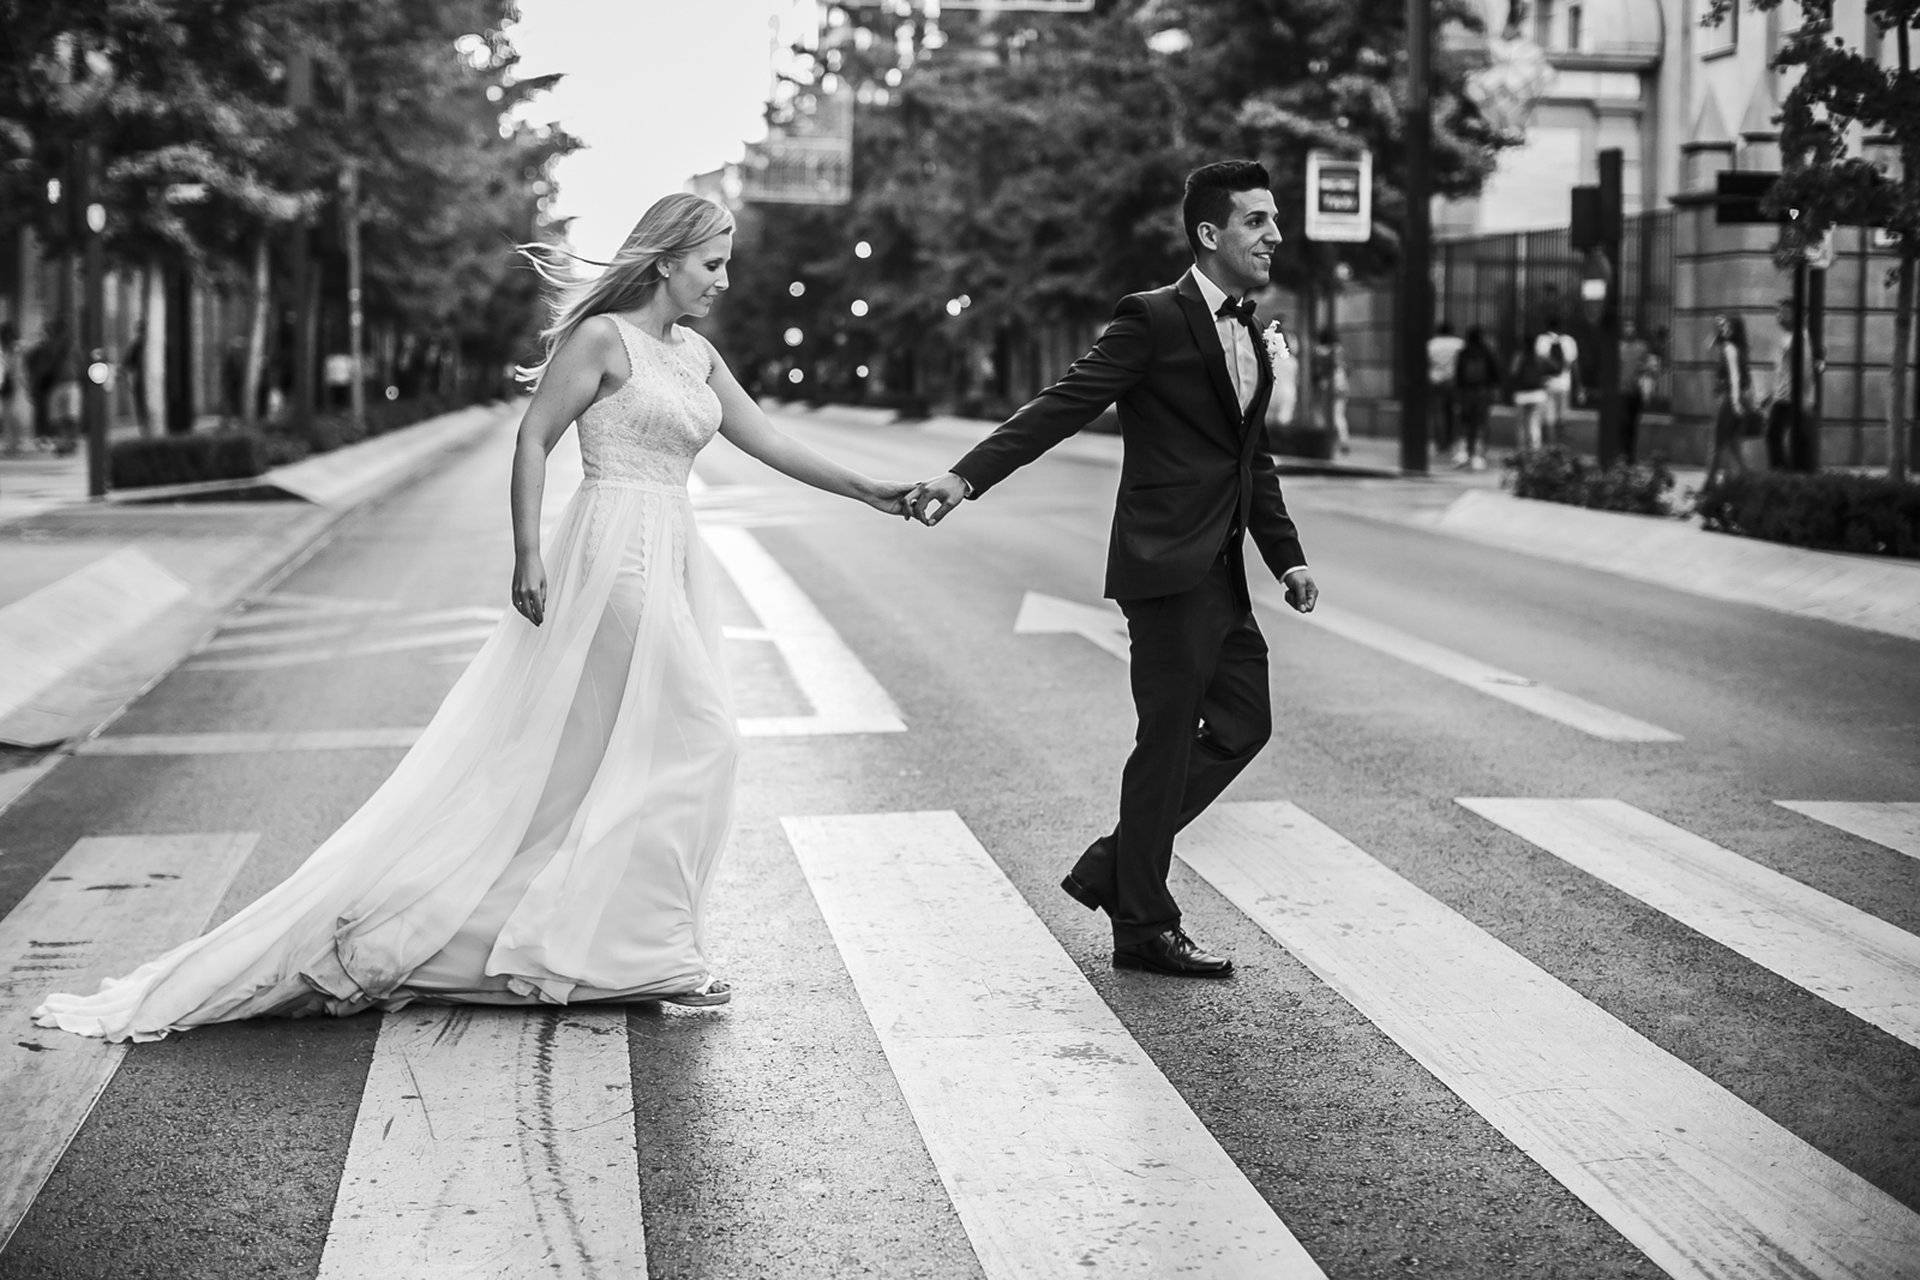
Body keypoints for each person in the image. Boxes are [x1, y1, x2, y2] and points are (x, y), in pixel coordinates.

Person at [33, 193, 916, 1042]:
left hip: (674, 547)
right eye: (714, 263)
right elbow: (534, 437)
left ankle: (617, 946)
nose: (724, 279)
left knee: (608, 752)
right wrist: (528, 553)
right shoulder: (603, 339)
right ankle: (638, 948)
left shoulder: (697, 356)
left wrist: (870, 489)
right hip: (610, 552)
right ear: (669, 259)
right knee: (703, 735)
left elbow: (770, 442)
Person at [907, 160, 1318, 980]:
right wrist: (964, 476)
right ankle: (1144, 924)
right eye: (1258, 221)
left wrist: (1288, 556)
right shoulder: (1153, 319)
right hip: (1164, 568)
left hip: (1223, 569)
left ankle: (1112, 867)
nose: (1276, 235)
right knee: (1166, 744)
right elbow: (1063, 404)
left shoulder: (1251, 330)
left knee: (1244, 724)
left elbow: (1251, 458)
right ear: (1211, 234)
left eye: (1275, 220)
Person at [1763, 299, 1816, 472]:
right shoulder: (1789, 337)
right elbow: (1782, 371)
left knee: (1775, 435)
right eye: (1778, 312)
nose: (1779, 316)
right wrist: (1771, 394)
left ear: (1795, 314)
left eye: (1784, 312)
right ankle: (1791, 472)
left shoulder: (1800, 337)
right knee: (1787, 436)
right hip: (1784, 395)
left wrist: (1805, 398)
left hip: (1792, 397)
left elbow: (1806, 369)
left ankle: (1784, 472)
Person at [1705, 312, 1754, 489]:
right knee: (1733, 443)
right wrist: (1716, 329)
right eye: (1723, 326)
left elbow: (1734, 377)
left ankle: (1709, 483)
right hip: (1737, 397)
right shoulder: (1739, 348)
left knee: (1716, 442)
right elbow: (1708, 347)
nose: (1724, 329)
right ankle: (1746, 479)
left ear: (1734, 329)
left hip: (1728, 398)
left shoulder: (1730, 349)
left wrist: (1734, 403)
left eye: (1727, 326)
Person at [1452, 326, 1502, 470]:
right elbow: (1496, 374)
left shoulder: (1463, 352)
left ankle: (1463, 453)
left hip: (1466, 393)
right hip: (1483, 392)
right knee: (1481, 423)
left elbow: (1458, 376)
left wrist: (1458, 394)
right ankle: (1479, 456)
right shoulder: (1487, 352)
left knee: (1464, 423)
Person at [1532, 317, 1580, 445]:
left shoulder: (1541, 340)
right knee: (1562, 417)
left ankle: (1551, 446)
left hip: (1547, 384)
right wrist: (1579, 386)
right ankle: (1561, 446)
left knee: (1549, 418)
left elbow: (1537, 363)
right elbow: (1574, 365)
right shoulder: (1569, 341)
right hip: (1564, 385)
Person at [1618, 319, 1658, 465]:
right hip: (1621, 392)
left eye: (1631, 326)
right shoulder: (1619, 347)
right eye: (1626, 326)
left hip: (1635, 392)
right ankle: (1623, 454)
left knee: (1632, 425)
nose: (1629, 329)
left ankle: (1630, 456)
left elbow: (1650, 366)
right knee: (1623, 424)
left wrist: (1645, 371)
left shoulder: (1642, 347)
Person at [1426, 319, 1465, 462]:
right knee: (1454, 412)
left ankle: (1441, 443)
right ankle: (1453, 440)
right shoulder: (1459, 344)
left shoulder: (1431, 345)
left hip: (1436, 381)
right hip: (1454, 381)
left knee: (1439, 412)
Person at [1313, 327, 1351, 453]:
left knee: (1325, 414)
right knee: (1338, 415)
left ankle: (1326, 440)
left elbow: (1319, 371)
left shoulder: (1321, 351)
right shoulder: (1340, 350)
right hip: (1341, 385)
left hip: (1327, 385)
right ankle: (1343, 440)